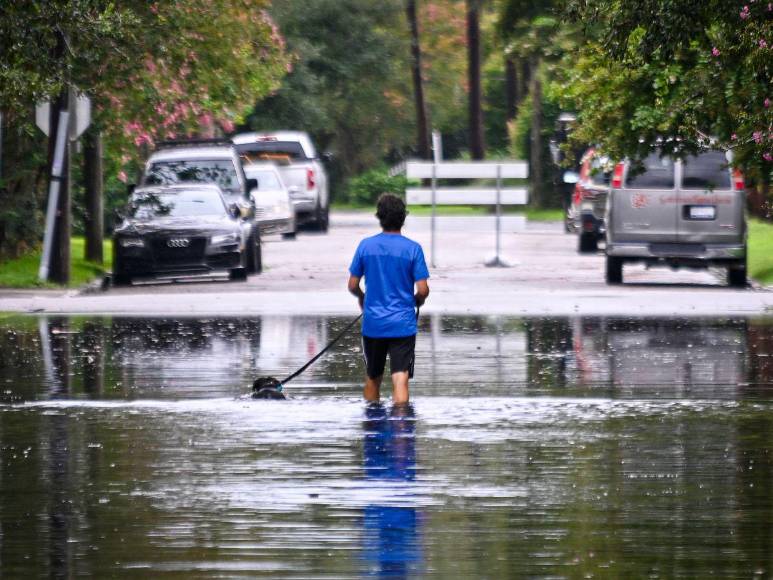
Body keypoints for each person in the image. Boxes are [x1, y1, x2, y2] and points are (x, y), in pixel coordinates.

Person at [348, 193, 430, 404]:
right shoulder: (413, 249)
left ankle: (372, 423)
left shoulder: (365, 246)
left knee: (373, 377)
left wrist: (362, 298)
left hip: (374, 323)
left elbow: (352, 285)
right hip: (403, 323)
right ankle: (401, 428)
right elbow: (423, 289)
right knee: (400, 378)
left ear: (379, 217)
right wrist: (416, 301)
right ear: (403, 218)